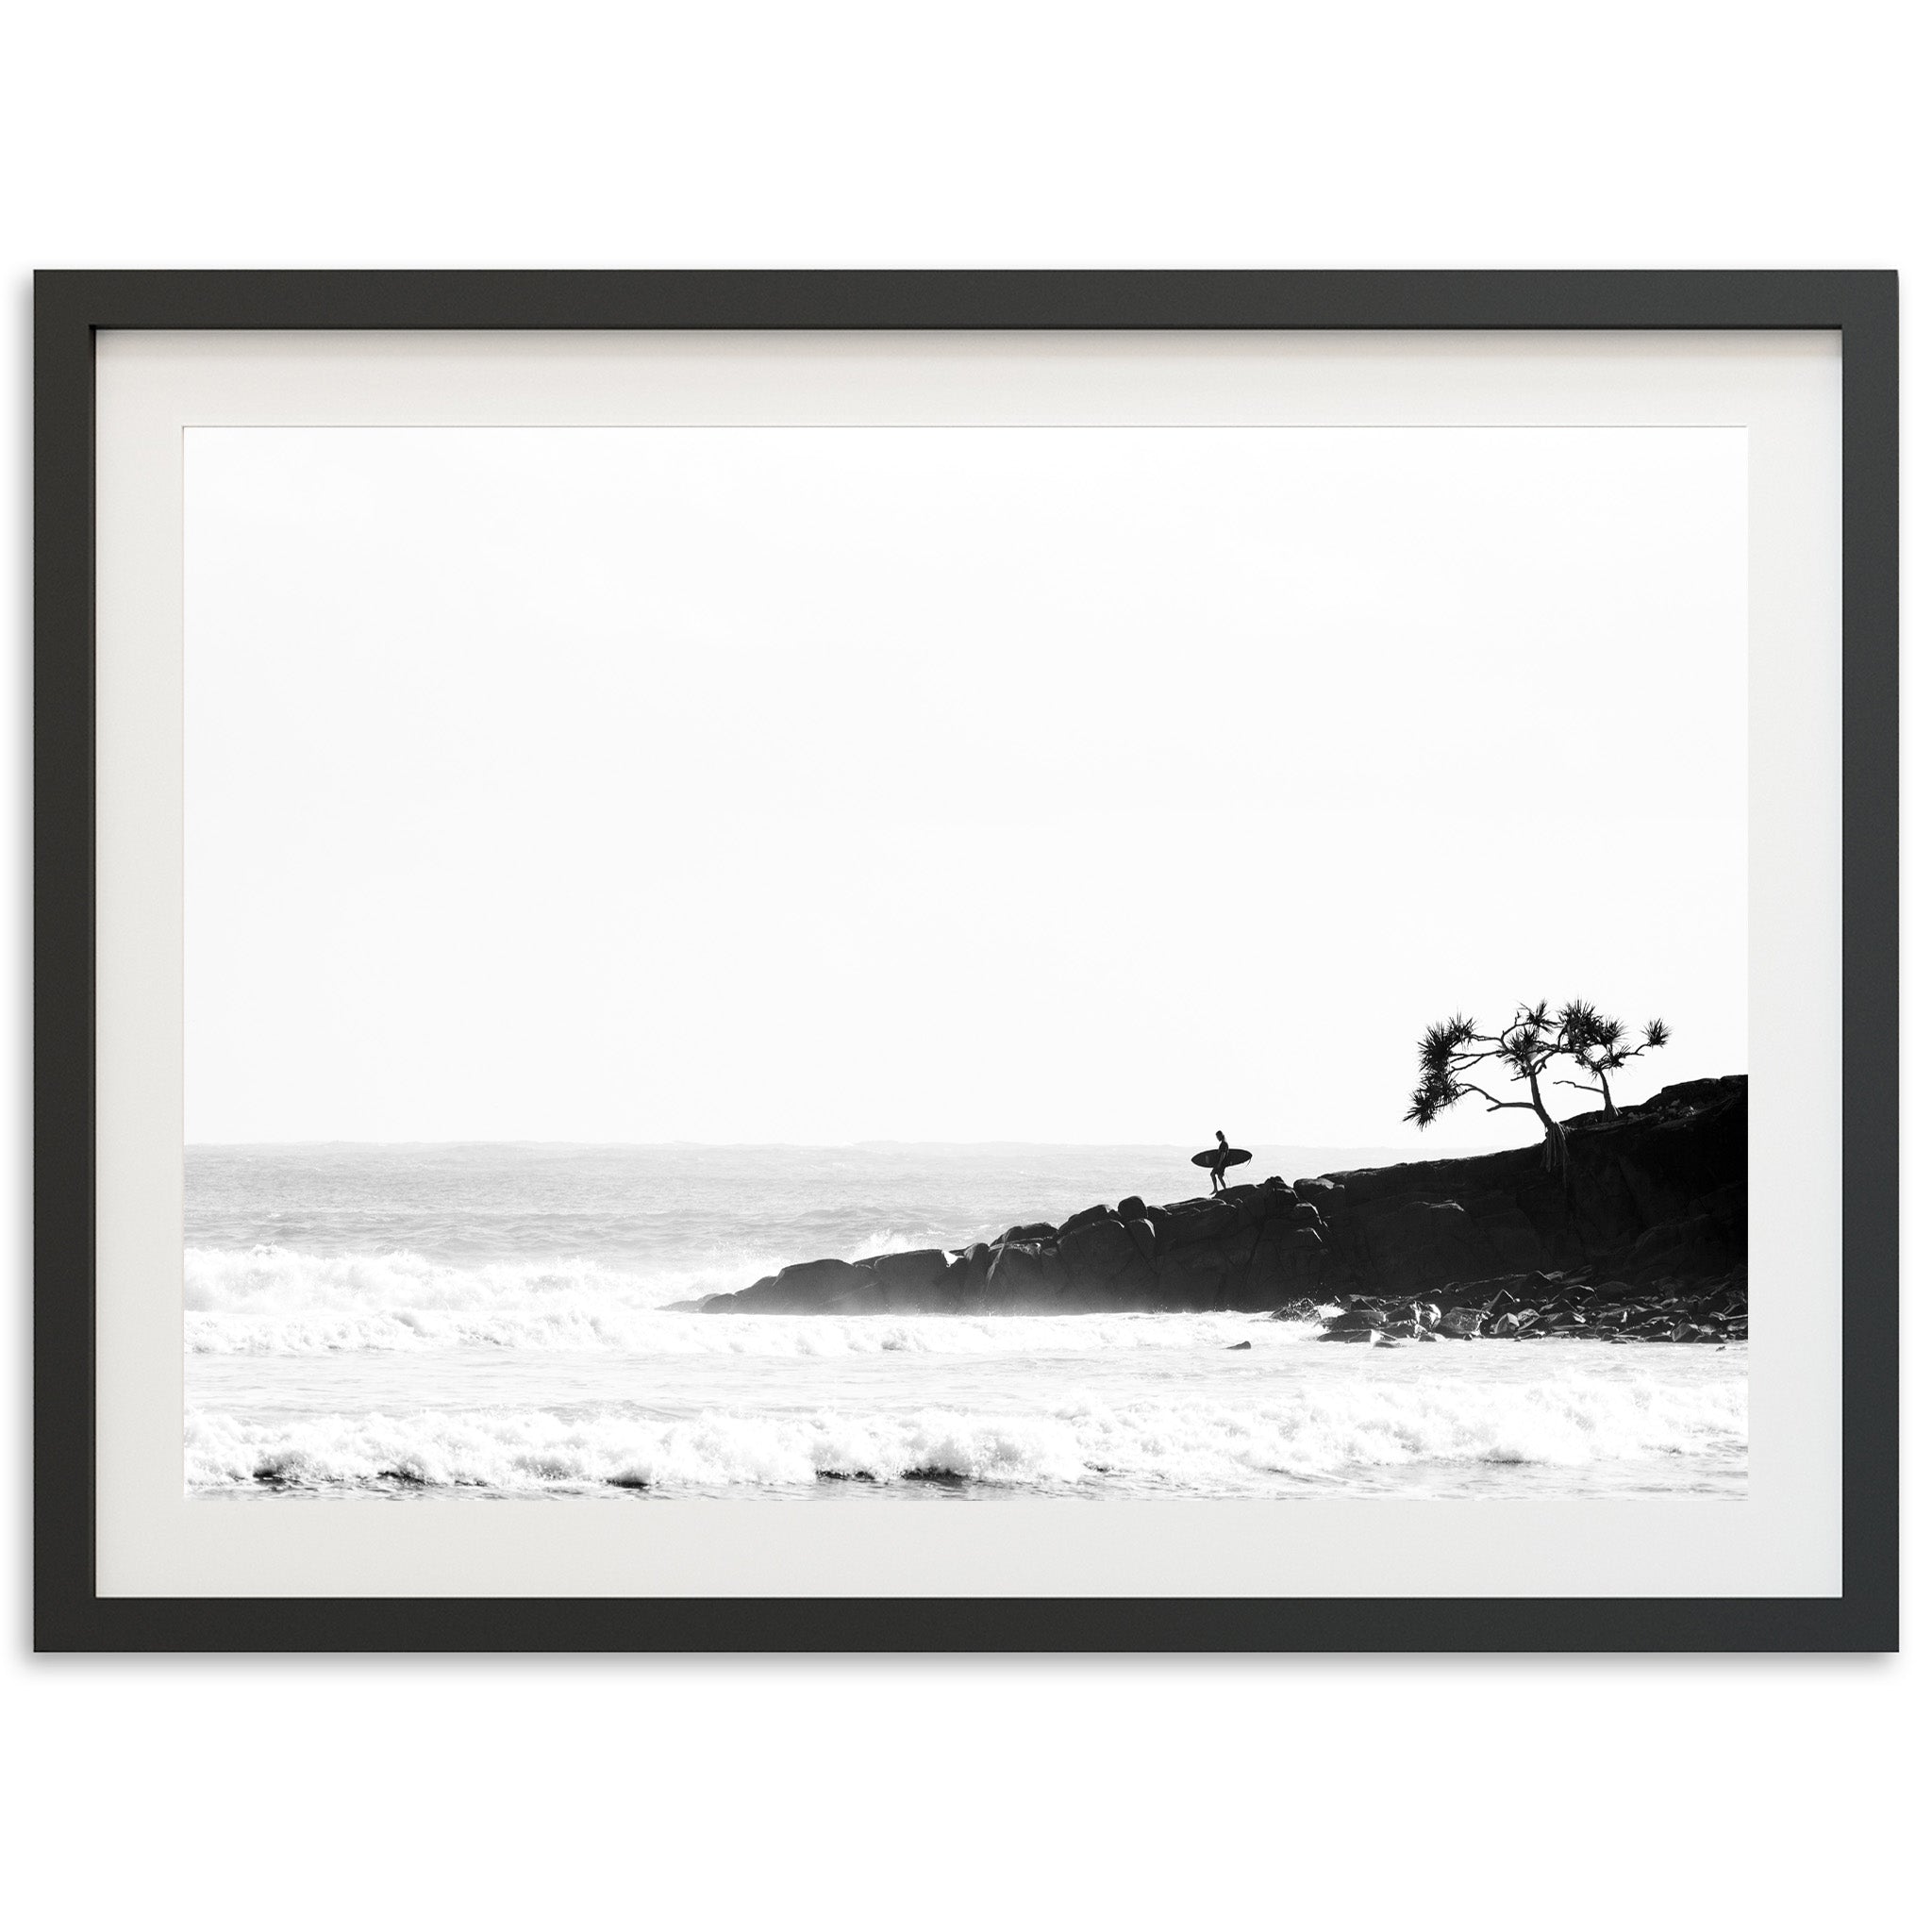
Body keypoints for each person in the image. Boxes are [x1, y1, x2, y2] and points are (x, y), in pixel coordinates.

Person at [1208, 1129, 1233, 1194]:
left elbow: (1223, 1154)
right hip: (1221, 1163)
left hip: (1221, 1163)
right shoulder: (1224, 1142)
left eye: (1217, 1137)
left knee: (1216, 1175)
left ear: (1220, 1136)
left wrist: (1219, 1163)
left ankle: (1223, 1189)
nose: (1217, 1138)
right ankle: (1219, 1189)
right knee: (1217, 1175)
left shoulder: (1224, 1143)